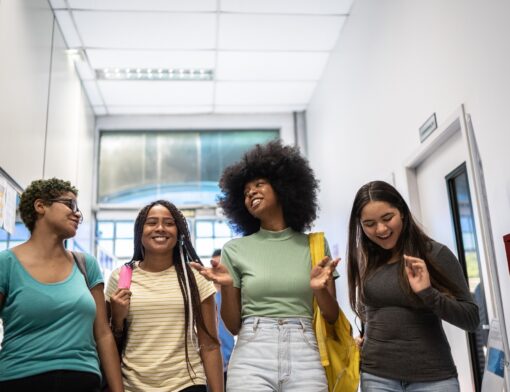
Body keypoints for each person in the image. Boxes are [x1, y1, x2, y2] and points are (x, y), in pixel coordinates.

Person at [192, 140, 339, 391]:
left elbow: (332, 316)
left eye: (259, 185)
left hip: (305, 352)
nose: (251, 192)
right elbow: (234, 325)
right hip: (251, 353)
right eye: (246, 191)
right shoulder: (235, 249)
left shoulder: (314, 245)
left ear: (283, 188)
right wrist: (227, 287)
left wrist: (319, 289)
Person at [346, 180, 480, 392]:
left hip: (433, 379)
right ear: (360, 225)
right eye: (369, 224)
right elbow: (373, 312)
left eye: (387, 218)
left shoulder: (434, 254)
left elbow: (471, 320)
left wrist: (428, 293)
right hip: (376, 376)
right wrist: (365, 338)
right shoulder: (365, 260)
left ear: (402, 213)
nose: (381, 229)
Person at [0, 178, 123, 392]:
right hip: (20, 379)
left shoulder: (86, 265)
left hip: (83, 380)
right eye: (70, 204)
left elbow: (103, 333)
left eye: (79, 209)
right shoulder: (6, 264)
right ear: (40, 206)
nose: (77, 214)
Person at [106, 200, 223, 392]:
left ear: (179, 233)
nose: (160, 228)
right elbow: (106, 340)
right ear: (139, 232)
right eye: (151, 222)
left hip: (186, 383)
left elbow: (210, 345)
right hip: (133, 386)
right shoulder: (121, 277)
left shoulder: (194, 278)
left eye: (169, 223)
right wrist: (117, 319)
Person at [210, 249, 235, 386]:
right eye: (215, 264)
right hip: (211, 362)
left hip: (232, 361)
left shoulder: (233, 296)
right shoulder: (207, 295)